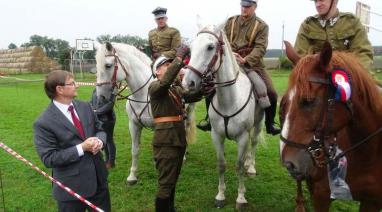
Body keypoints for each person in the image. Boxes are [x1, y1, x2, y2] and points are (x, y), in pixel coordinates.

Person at [197, 0, 281, 135]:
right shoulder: (231, 21)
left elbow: (260, 47)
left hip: (252, 64)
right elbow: (221, 39)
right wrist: (229, 54)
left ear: (255, 7)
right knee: (211, 87)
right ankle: (209, 120)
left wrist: (246, 59)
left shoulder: (262, 26)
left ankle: (270, 123)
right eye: (243, 6)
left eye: (248, 7)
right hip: (230, 62)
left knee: (271, 92)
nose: (244, 9)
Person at [33, 70, 111, 212]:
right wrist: (82, 148)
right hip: (71, 190)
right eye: (72, 83)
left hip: (99, 182)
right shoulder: (43, 122)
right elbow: (49, 158)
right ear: (60, 89)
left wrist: (100, 141)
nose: (77, 86)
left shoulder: (85, 106)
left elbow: (100, 128)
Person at [149, 46, 202, 212]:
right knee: (165, 183)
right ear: (157, 71)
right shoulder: (155, 87)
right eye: (167, 65)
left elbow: (189, 95)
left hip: (178, 139)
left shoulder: (174, 88)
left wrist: (204, 90)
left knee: (172, 180)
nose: (172, 67)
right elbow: (165, 81)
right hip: (165, 142)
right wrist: (179, 59)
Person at [294, 0, 374, 71]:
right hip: (317, 80)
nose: (317, 4)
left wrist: (351, 74)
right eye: (315, 1)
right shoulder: (308, 25)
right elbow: (299, 57)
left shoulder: (351, 22)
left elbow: (364, 54)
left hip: (352, 77)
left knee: (376, 88)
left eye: (321, 0)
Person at [90, 88, 116, 169]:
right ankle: (107, 159)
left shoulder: (111, 90)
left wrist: (96, 112)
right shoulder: (95, 90)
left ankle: (111, 162)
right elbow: (91, 101)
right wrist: (91, 109)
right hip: (98, 119)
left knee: (109, 140)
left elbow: (110, 104)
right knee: (104, 140)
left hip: (108, 120)